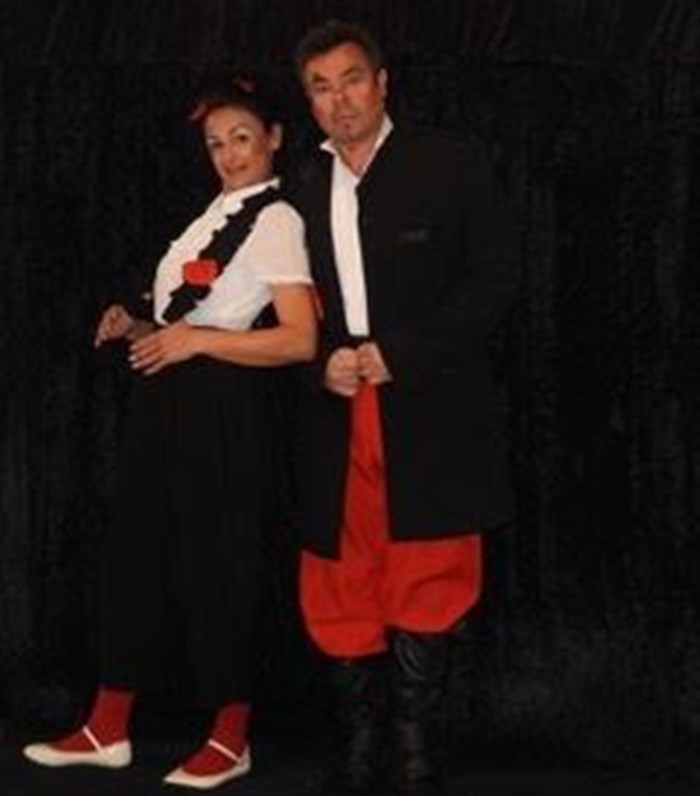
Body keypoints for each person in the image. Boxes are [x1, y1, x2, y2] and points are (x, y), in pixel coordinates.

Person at [23, 76, 316, 790]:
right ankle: (109, 725)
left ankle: (231, 736)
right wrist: (140, 327)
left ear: (275, 138)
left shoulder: (277, 219)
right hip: (168, 400)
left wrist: (194, 342)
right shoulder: (211, 215)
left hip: (223, 405)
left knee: (220, 563)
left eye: (242, 138)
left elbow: (299, 340)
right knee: (138, 558)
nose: (229, 154)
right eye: (216, 143)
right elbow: (190, 320)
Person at [290, 21, 518, 796]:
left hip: (432, 406)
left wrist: (405, 352)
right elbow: (278, 306)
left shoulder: (450, 164)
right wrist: (320, 360)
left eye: (352, 79)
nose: (340, 100)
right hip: (336, 414)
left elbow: (496, 278)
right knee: (339, 579)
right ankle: (360, 749)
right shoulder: (299, 187)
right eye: (321, 87)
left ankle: (417, 754)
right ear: (309, 102)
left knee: (431, 570)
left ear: (383, 83)